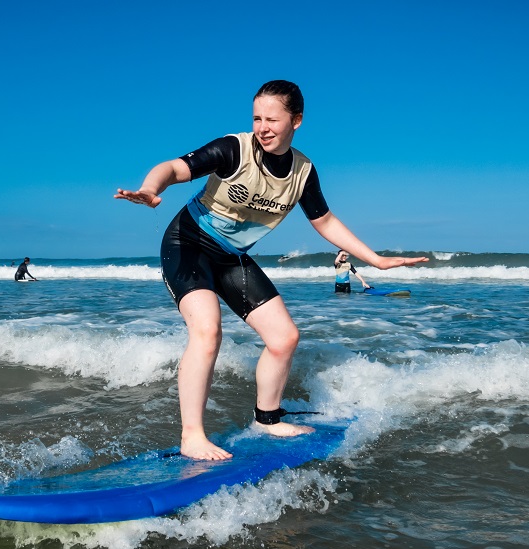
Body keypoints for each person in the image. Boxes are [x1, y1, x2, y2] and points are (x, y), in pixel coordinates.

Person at [115, 80, 428, 460]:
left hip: (232, 255)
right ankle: (192, 436)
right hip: (189, 244)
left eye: (272, 119)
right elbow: (175, 167)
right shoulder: (234, 149)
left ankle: (266, 419)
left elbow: (325, 221)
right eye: (256, 118)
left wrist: (375, 259)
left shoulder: (302, 171)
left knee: (284, 338)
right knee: (207, 330)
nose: (262, 127)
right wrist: (150, 189)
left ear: (296, 121)